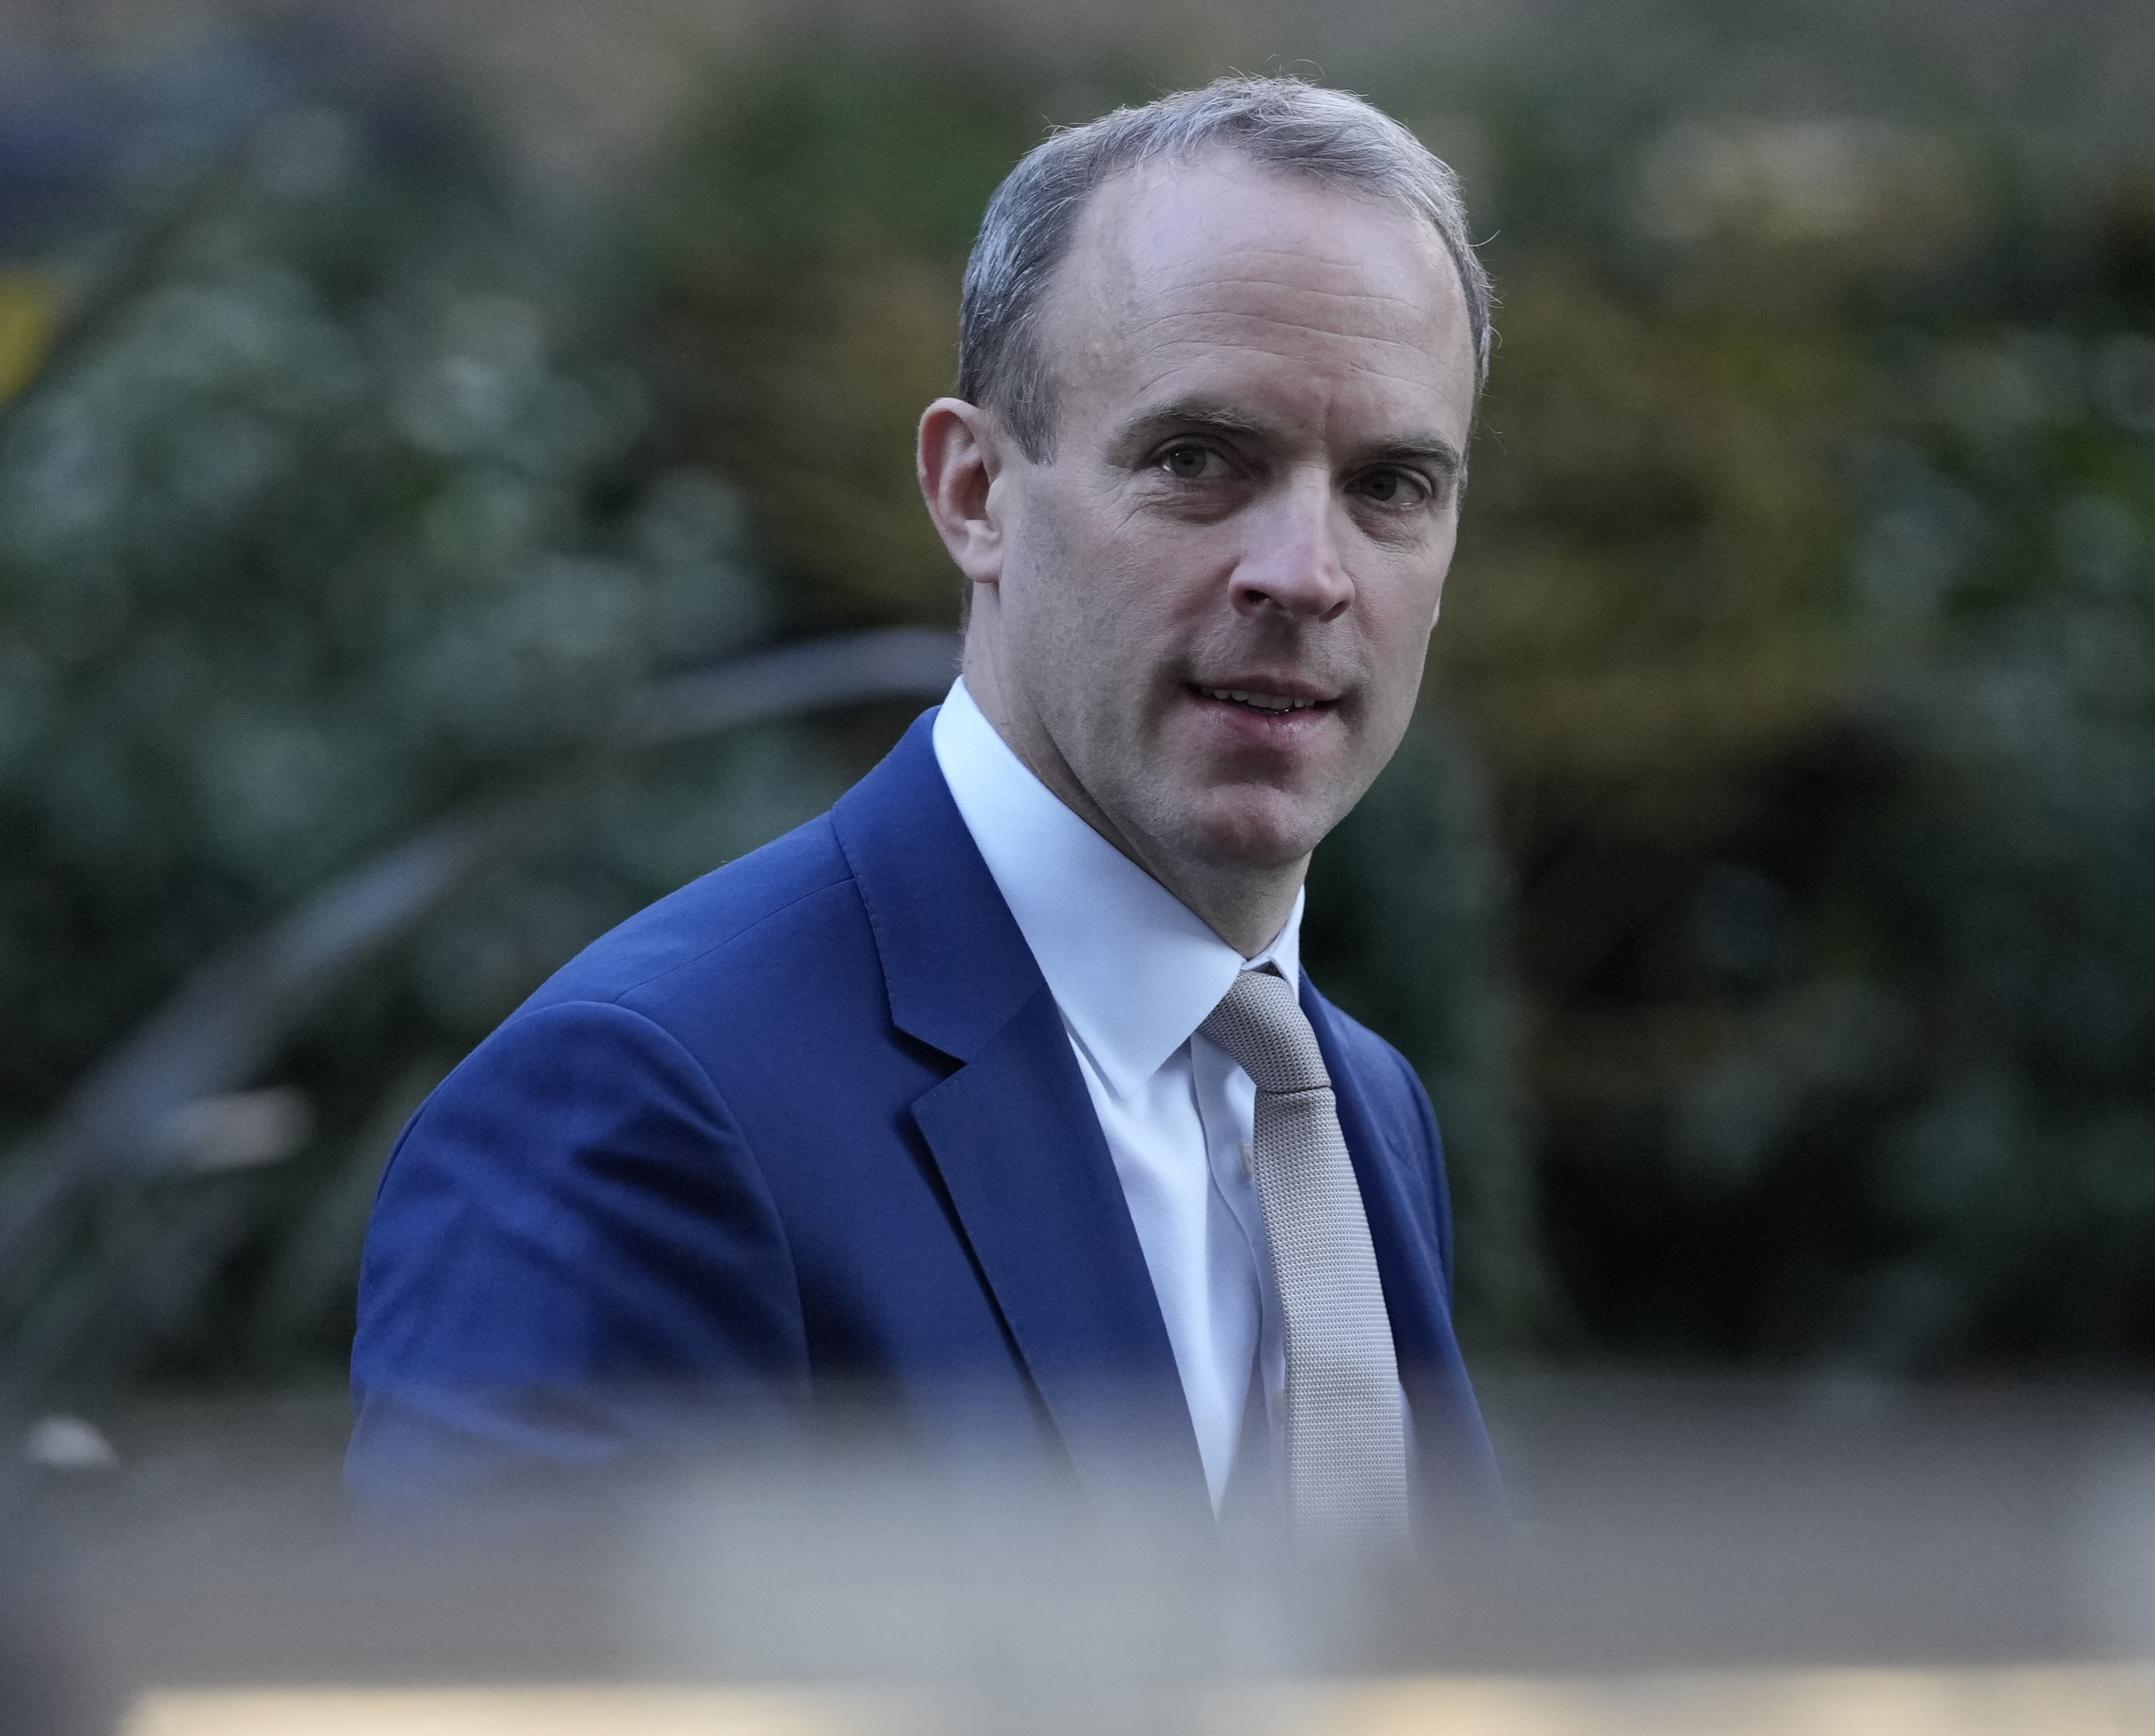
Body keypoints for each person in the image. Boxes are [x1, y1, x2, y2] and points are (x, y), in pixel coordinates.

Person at [346, 75, 1501, 1542]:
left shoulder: (1359, 1109)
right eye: (1198, 461)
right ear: (972, 492)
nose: (1305, 571)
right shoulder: (637, 1112)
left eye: (1392, 484)